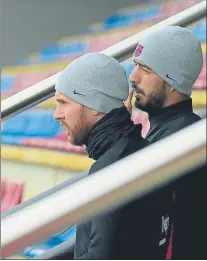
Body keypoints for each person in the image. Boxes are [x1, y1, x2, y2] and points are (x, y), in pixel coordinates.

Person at [53, 52, 174, 259]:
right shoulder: (142, 151)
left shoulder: (110, 170)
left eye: (63, 102)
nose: (56, 114)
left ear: (93, 106)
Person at [125, 26, 206, 259]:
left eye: (145, 69)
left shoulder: (182, 139)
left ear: (173, 81)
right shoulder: (169, 131)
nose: (133, 76)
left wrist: (117, 133)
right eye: (135, 65)